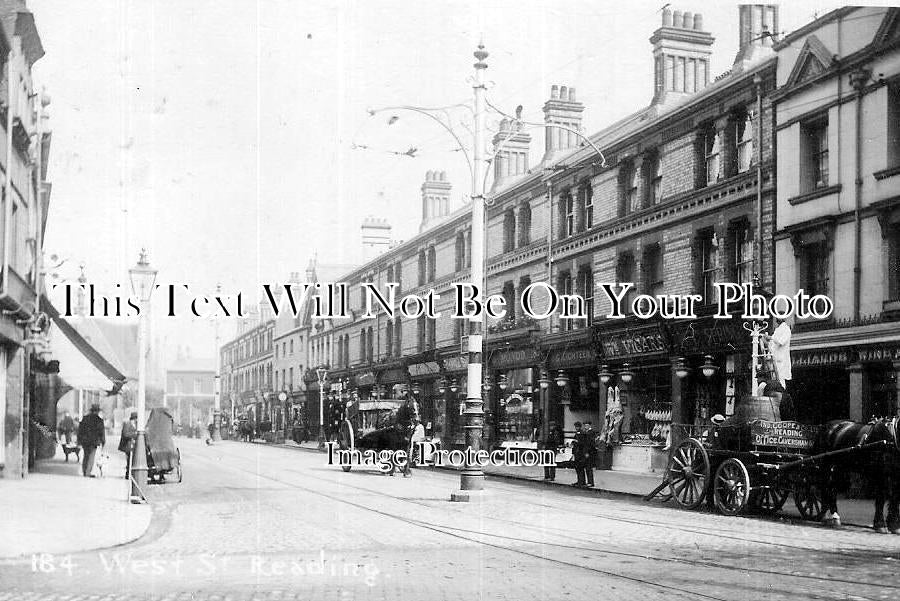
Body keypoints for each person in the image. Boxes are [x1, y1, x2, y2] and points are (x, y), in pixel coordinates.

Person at [767, 316, 795, 420]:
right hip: (775, 360)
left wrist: (770, 338)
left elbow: (780, 341)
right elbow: (772, 345)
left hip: (781, 360)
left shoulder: (786, 329)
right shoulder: (777, 330)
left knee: (781, 380)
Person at [77, 404, 106, 477]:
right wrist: (103, 441)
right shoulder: (99, 420)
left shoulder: (85, 418)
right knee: (91, 457)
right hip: (94, 441)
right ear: (98, 411)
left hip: (85, 441)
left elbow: (80, 430)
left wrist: (79, 440)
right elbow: (101, 432)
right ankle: (88, 472)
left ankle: (84, 471)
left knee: (86, 456)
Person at [117, 412, 137, 479]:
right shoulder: (127, 424)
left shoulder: (136, 424)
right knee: (129, 460)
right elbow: (125, 434)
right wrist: (134, 434)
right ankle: (128, 474)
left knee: (133, 460)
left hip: (134, 445)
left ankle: (131, 473)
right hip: (128, 445)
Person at [581, 421, 597, 488]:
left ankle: (590, 482)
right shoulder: (586, 432)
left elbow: (590, 444)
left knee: (589, 467)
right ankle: (588, 482)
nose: (585, 427)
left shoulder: (591, 433)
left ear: (590, 426)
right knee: (587, 468)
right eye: (585, 425)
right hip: (586, 452)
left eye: (587, 425)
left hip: (589, 453)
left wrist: (587, 452)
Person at [571, 422, 586, 487]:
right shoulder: (577, 433)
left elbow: (582, 443)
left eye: (577, 427)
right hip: (576, 452)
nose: (576, 428)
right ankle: (579, 481)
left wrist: (576, 442)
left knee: (580, 467)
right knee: (577, 468)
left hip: (580, 453)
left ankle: (581, 481)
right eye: (575, 427)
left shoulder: (581, 433)